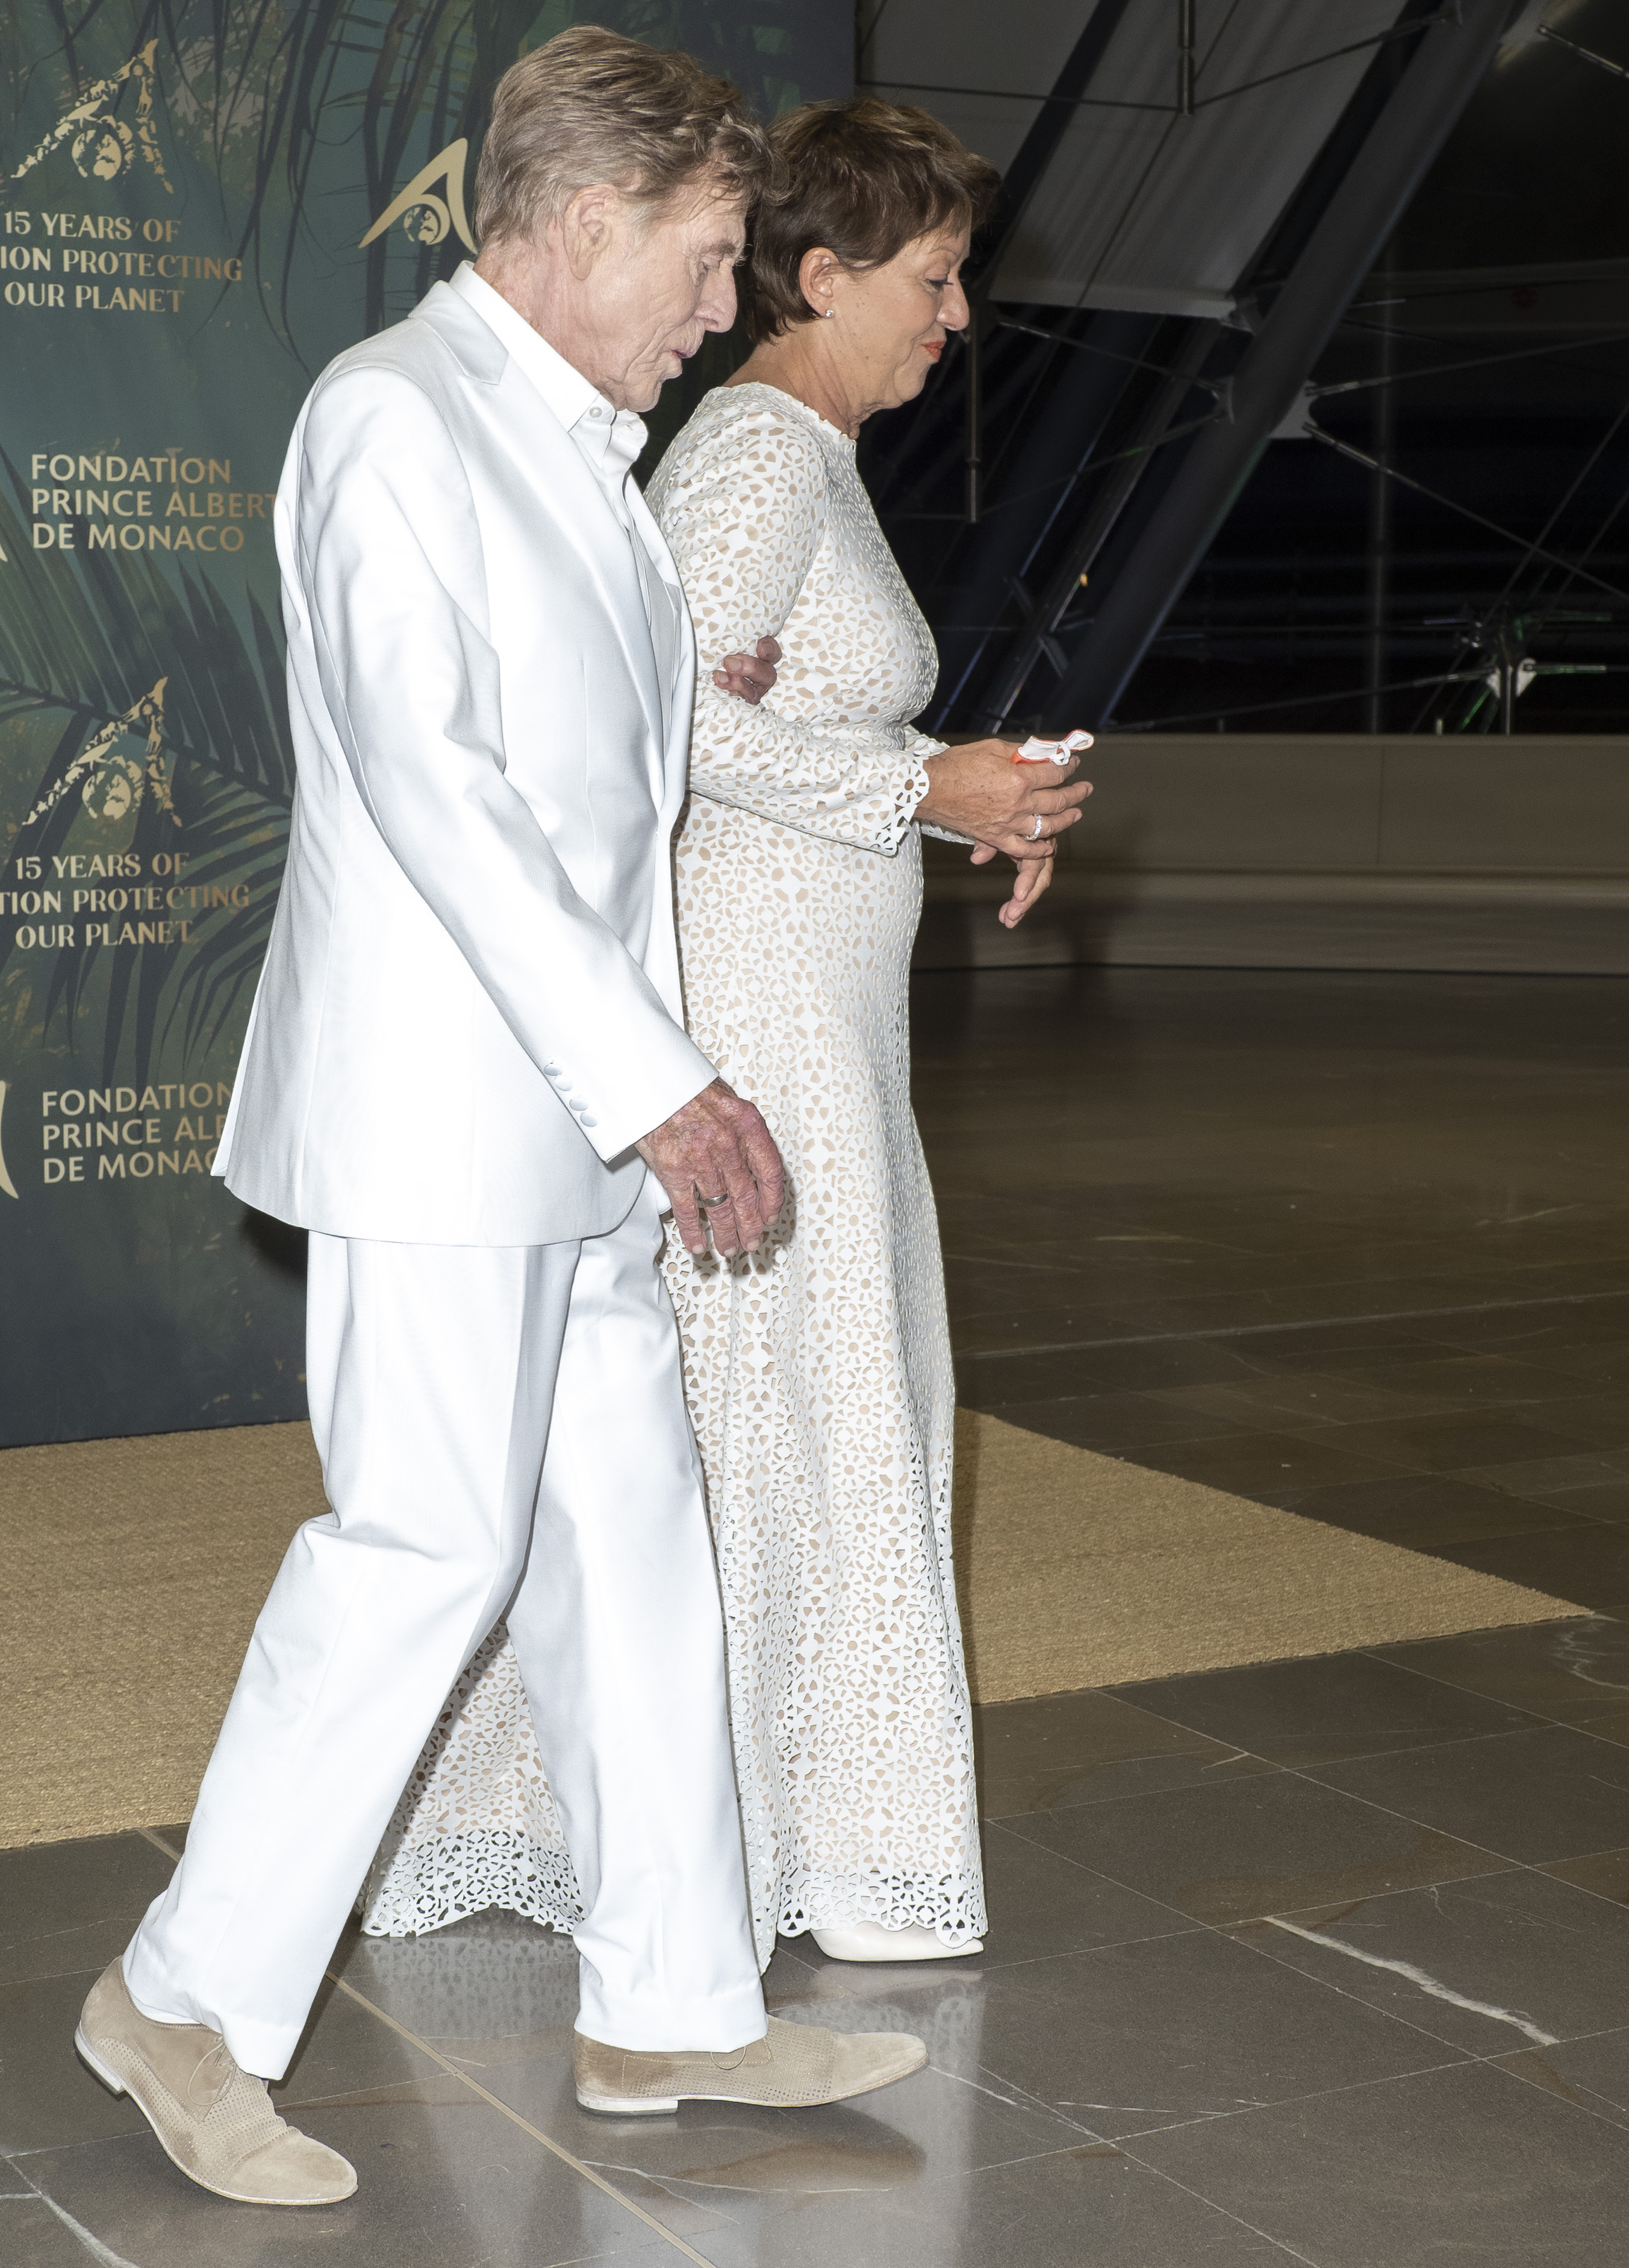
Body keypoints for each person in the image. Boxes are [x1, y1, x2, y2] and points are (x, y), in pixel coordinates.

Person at [70, 32, 928, 2211]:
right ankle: (182, 1995)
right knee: (425, 1546)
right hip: (443, 1117)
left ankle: (672, 1997)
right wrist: (662, 1086)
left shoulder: (577, 451)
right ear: (576, 226)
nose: (723, 306)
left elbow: (601, 783)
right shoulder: (390, 419)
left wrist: (643, 1086)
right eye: (707, 257)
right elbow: (437, 788)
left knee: (635, 1549)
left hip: (572, 1128)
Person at [363, 98, 1090, 1971]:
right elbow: (667, 738)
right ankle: (745, 1846)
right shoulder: (760, 454)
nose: (956, 319)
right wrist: (931, 785)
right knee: (782, 1407)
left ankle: (774, 1840)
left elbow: (733, 721)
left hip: (819, 1004)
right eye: (931, 281)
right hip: (753, 1011)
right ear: (822, 275)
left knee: (806, 1407)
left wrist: (970, 803)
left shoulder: (808, 461)